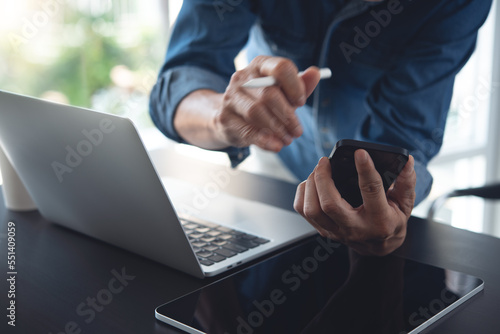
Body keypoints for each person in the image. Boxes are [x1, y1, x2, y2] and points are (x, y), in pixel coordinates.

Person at [149, 0, 492, 255]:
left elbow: (403, 139)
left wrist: (389, 210)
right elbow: (179, 80)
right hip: (277, 168)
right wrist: (221, 118)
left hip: (368, 200)